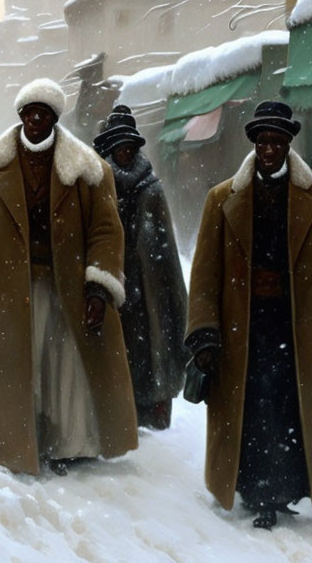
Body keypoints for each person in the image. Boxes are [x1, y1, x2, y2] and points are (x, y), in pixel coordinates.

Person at [0, 78, 138, 476]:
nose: (36, 120)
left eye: (44, 114)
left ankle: (68, 441)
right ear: (20, 117)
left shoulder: (89, 170)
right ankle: (12, 440)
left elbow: (107, 232)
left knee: (64, 365)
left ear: (55, 118)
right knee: (18, 365)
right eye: (29, 113)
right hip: (6, 291)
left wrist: (98, 287)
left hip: (65, 286)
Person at [185, 101, 312, 530]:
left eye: (277, 141)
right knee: (252, 408)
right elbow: (204, 276)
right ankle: (258, 491)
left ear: (289, 144)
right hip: (245, 327)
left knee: (291, 408)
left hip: (297, 328)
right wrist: (204, 333)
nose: (270, 149)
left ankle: (285, 489)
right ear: (254, 144)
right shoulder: (223, 199)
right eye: (263, 141)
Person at [93, 106, 188, 430]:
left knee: (146, 353)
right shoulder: (95, 185)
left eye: (129, 146)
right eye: (118, 146)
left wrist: (171, 300)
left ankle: (145, 413)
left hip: (148, 289)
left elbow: (167, 254)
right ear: (109, 148)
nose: (124, 152)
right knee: (110, 351)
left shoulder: (151, 190)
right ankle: (111, 417)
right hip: (108, 282)